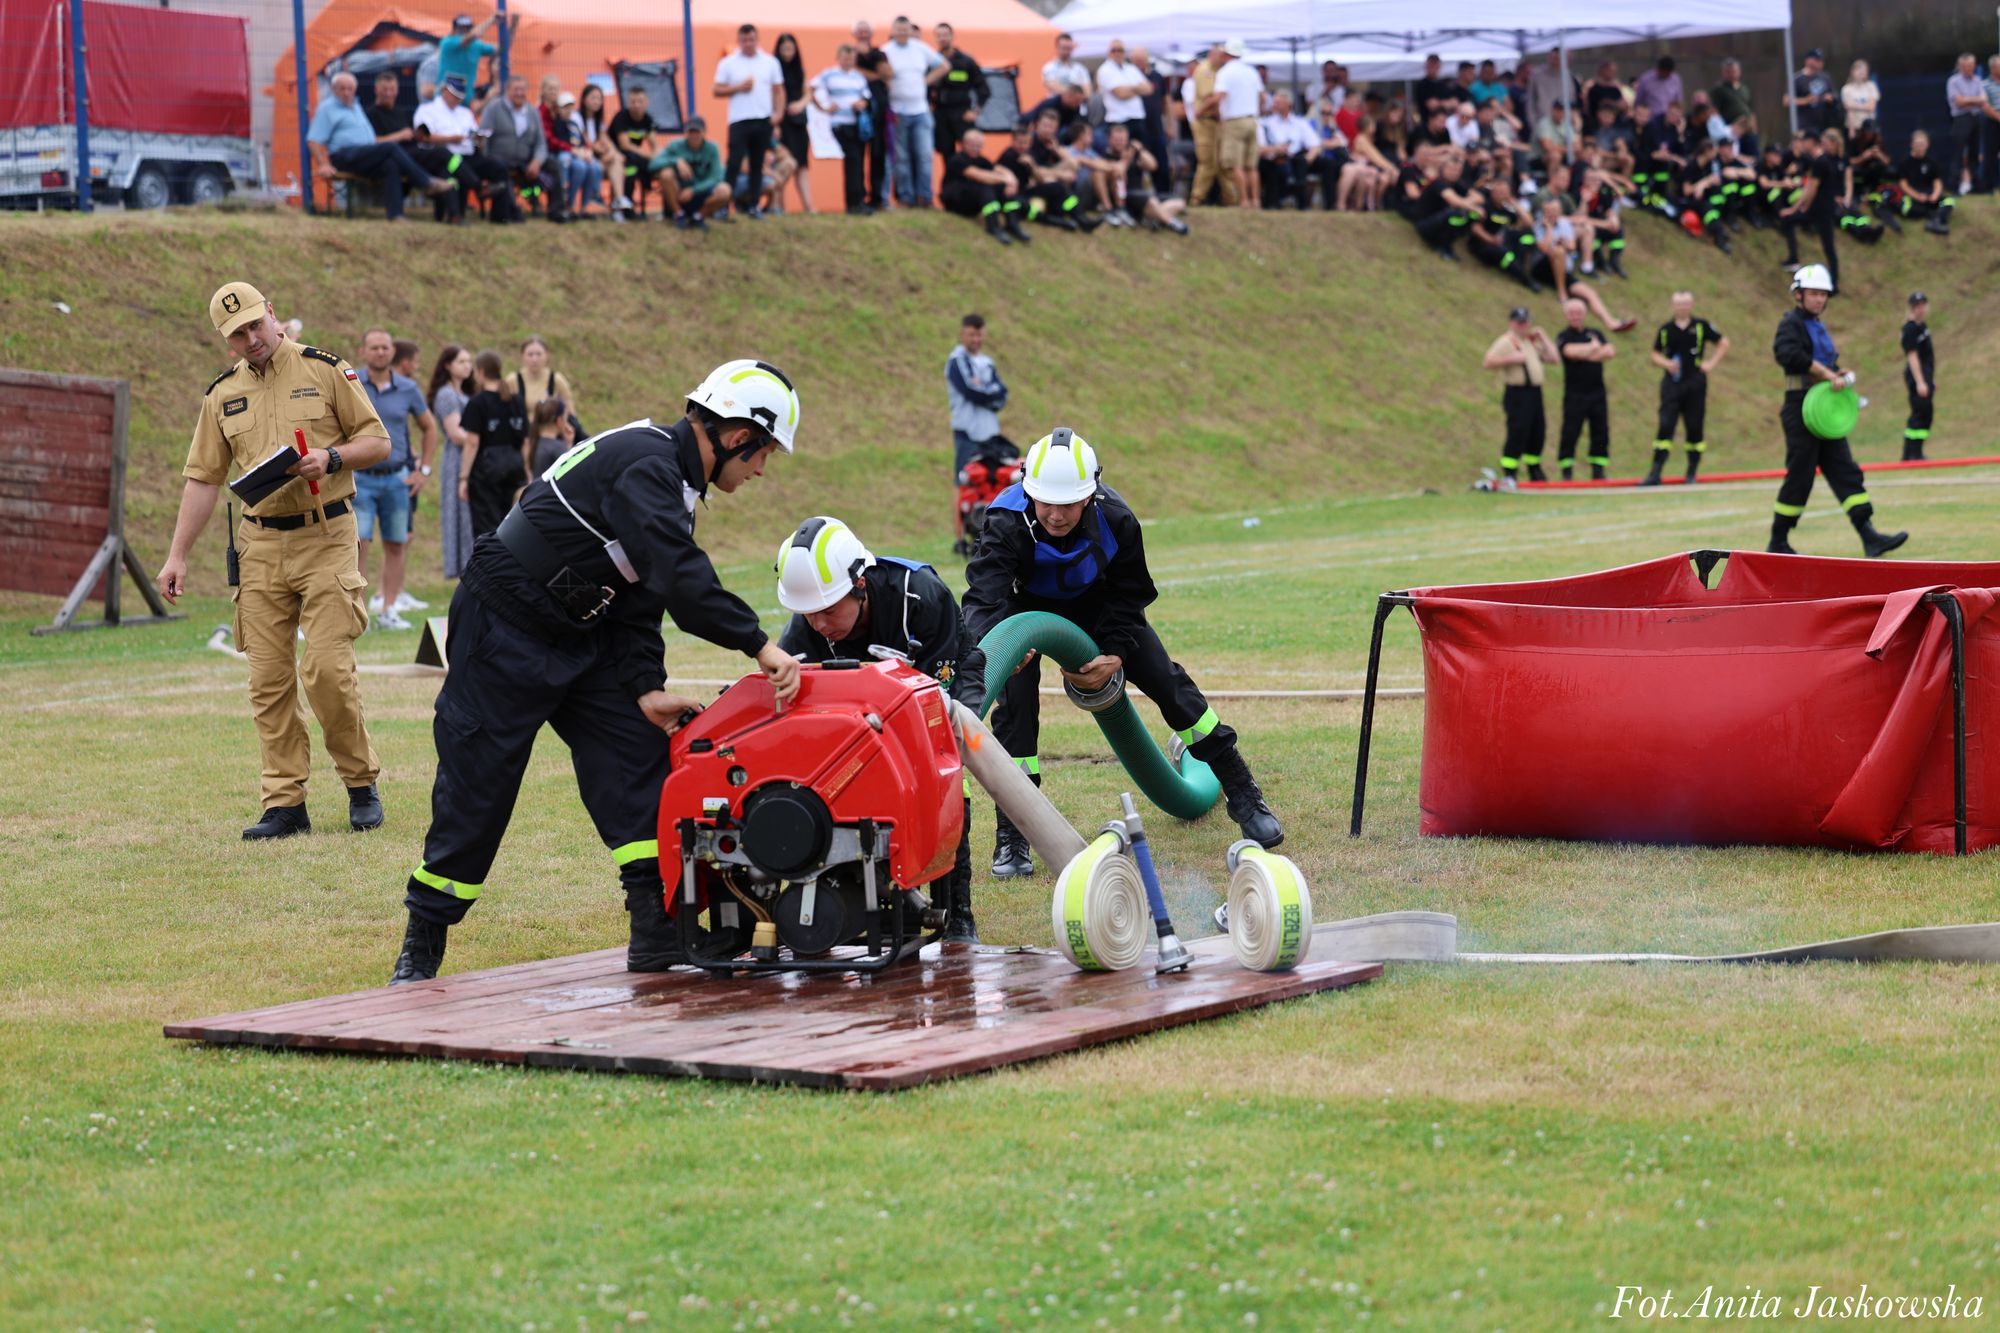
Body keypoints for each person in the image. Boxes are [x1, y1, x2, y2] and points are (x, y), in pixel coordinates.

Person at [388, 361, 807, 985]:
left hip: (582, 630)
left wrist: (644, 689)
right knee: (479, 784)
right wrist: (758, 645)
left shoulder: (673, 487)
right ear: (735, 433)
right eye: (763, 453)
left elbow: (640, 602)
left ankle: (655, 935)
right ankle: (423, 943)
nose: (761, 470)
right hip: (503, 623)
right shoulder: (648, 463)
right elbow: (676, 572)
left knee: (637, 760)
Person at [964, 429, 1284, 880]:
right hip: (1023, 613)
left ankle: (1240, 789)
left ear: (1090, 494)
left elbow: (1130, 592)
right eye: (1045, 502)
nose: (1056, 515)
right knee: (1015, 711)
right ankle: (1013, 835)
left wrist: (1115, 650)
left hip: (1100, 606)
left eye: (1069, 503)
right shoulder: (1004, 520)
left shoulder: (1116, 519)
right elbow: (983, 597)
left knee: (1166, 682)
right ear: (1027, 490)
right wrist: (996, 647)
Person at [156, 282, 390, 840]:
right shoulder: (221, 395)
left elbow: (378, 442)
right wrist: (177, 556)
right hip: (258, 545)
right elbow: (203, 479)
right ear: (226, 341)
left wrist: (330, 457)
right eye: (238, 333)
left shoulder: (326, 370)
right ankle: (285, 804)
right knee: (268, 680)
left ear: (273, 315)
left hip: (327, 535)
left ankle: (360, 783)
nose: (252, 337)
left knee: (327, 670)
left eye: (256, 324)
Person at [774, 517, 985, 940]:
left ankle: (958, 911)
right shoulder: (807, 627)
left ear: (860, 586)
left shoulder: (920, 597)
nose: (818, 626)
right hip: (864, 706)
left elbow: (934, 698)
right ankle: (868, 902)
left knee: (941, 781)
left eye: (829, 612)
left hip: (943, 684)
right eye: (808, 614)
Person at [1767, 265, 1906, 558]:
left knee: (1845, 469)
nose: (1819, 299)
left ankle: (1870, 537)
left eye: (1823, 294)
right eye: (1814, 293)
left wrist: (1836, 371)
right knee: (1801, 474)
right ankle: (1777, 542)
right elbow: (1788, 354)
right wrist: (1827, 374)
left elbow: (1823, 361)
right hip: (1800, 407)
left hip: (1825, 409)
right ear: (1798, 295)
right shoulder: (1790, 323)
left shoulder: (1817, 326)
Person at [354, 329, 437, 630]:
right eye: (374, 347)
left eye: (385, 347)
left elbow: (429, 427)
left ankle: (389, 609)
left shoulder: (408, 388)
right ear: (363, 351)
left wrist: (423, 470)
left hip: (396, 478)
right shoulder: (352, 384)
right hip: (360, 477)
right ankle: (358, 612)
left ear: (392, 352)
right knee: (358, 544)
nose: (380, 352)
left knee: (396, 544)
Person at [308, 72, 453, 221]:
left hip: (364, 155)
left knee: (391, 165)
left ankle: (396, 215)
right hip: (345, 156)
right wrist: (323, 164)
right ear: (333, 89)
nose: (346, 92)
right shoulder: (327, 108)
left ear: (355, 89)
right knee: (389, 147)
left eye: (349, 88)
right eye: (342, 88)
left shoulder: (355, 106)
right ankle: (426, 182)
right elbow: (313, 139)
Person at [1641, 292, 1729, 486]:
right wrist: (1666, 364)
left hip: (1695, 383)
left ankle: (1691, 473)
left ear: (1691, 305)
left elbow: (1723, 342)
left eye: (1686, 304)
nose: (1682, 307)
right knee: (1665, 425)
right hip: (1672, 385)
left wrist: (1710, 364)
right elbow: (1654, 354)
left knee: (1695, 427)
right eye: (1679, 304)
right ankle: (1655, 472)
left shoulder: (1701, 326)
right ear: (1673, 306)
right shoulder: (1666, 329)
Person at [414, 74, 513, 223]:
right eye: (455, 95)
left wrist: (479, 140)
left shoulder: (465, 113)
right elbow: (424, 136)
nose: (458, 99)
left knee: (498, 166)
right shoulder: (426, 110)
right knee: (449, 166)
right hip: (441, 159)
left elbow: (473, 138)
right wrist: (451, 139)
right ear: (445, 90)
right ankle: (470, 196)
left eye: (460, 96)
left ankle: (500, 216)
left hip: (467, 158)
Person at [714, 24, 784, 222]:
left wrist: (778, 114)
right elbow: (716, 90)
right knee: (734, 163)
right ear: (739, 41)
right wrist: (737, 87)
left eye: (751, 39)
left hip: (762, 119)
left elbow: (779, 90)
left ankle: (754, 205)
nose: (748, 44)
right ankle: (723, 205)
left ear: (757, 39)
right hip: (739, 120)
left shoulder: (769, 62)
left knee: (757, 163)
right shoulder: (729, 63)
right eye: (744, 40)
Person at [1482, 306, 1558, 482]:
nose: (1523, 326)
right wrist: (1511, 359)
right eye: (1519, 322)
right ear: (1512, 323)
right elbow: (1488, 362)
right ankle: (1510, 471)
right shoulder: (1507, 341)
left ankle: (1534, 469)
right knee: (1518, 431)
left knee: (1537, 431)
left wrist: (1543, 337)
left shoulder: (1530, 341)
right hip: (1517, 393)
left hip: (1535, 393)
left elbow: (1554, 358)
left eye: (1526, 322)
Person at [457, 350, 527, 538]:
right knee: (513, 525)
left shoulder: (478, 402)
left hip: (487, 471)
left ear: (480, 372)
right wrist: (527, 470)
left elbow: (472, 442)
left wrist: (463, 478)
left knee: (487, 529)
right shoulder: (517, 400)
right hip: (515, 466)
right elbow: (524, 441)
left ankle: (492, 565)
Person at [946, 312, 1009, 497]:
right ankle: (958, 526)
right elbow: (971, 391)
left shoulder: (987, 363)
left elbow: (1003, 394)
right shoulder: (956, 361)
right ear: (963, 334)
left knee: (991, 484)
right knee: (963, 482)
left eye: (979, 334)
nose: (976, 339)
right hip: (967, 434)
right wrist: (989, 391)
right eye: (972, 334)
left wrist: (984, 390)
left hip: (990, 434)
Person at [428, 343, 477, 581]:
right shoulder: (446, 394)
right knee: (460, 515)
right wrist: (484, 440)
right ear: (448, 365)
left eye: (469, 361)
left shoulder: (466, 394)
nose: (467, 366)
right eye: (461, 361)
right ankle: (463, 567)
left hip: (473, 457)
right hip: (457, 461)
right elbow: (457, 434)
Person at [1554, 298, 1615, 481]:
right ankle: (1567, 472)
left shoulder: (1594, 332)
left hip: (1597, 392)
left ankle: (1598, 471)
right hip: (1575, 394)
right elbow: (1569, 352)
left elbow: (1609, 351)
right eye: (1572, 313)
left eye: (1578, 312)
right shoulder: (1564, 335)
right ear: (1566, 315)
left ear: (1585, 314)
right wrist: (1593, 349)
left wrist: (1585, 354)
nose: (1576, 316)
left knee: (1600, 431)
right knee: (1570, 432)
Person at [480, 75, 555, 222]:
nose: (519, 93)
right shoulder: (494, 108)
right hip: (500, 160)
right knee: (500, 168)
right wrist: (485, 160)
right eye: (516, 90)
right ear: (507, 91)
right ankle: (511, 212)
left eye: (523, 90)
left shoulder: (533, 112)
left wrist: (537, 161)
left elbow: (541, 143)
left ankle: (556, 211)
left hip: (526, 161)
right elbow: (483, 136)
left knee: (553, 164)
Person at [814, 45, 876, 215]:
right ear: (838, 57)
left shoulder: (858, 77)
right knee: (853, 161)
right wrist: (824, 107)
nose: (848, 61)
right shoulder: (829, 74)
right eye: (845, 57)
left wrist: (860, 104)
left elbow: (866, 98)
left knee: (857, 162)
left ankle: (857, 202)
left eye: (851, 58)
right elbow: (811, 88)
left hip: (856, 124)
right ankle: (854, 203)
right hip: (840, 123)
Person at [1778, 128, 1840, 292]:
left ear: (1811, 142)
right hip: (1821, 209)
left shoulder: (1820, 162)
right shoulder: (1823, 160)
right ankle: (1794, 259)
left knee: (1828, 245)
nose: (1801, 144)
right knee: (1828, 245)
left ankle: (1833, 283)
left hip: (1821, 210)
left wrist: (1800, 208)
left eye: (1804, 141)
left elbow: (1811, 188)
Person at [941, 128, 1027, 243]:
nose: (976, 149)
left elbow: (998, 168)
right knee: (985, 187)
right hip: (956, 203)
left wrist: (1012, 180)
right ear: (964, 144)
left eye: (979, 146)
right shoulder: (957, 159)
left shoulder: (981, 160)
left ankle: (1012, 223)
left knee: (1003, 189)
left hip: (972, 203)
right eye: (973, 145)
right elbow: (978, 175)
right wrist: (1005, 179)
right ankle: (993, 227)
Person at [1102, 122, 1188, 232]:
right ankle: (1172, 223)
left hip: (1142, 193)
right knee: (1151, 201)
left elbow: (1153, 165)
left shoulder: (1136, 155)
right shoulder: (1106, 156)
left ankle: (1154, 218)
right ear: (1109, 140)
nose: (1119, 142)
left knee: (1179, 202)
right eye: (1116, 139)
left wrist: (1140, 149)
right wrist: (1129, 156)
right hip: (1126, 196)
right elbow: (1119, 170)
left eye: (1122, 139)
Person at [653, 117, 733, 229]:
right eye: (691, 131)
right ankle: (678, 214)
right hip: (678, 194)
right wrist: (676, 161)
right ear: (686, 132)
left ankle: (698, 217)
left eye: (697, 131)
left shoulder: (712, 148)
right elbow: (653, 163)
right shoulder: (675, 145)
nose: (694, 135)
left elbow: (717, 177)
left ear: (704, 132)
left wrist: (693, 190)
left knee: (725, 190)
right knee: (666, 174)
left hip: (702, 195)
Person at [770, 33, 815, 215]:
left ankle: (808, 206)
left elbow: (808, 93)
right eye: (784, 49)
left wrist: (800, 104)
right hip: (783, 123)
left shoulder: (800, 70)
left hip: (798, 123)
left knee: (802, 165)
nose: (787, 52)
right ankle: (780, 205)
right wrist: (775, 122)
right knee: (784, 165)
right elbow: (772, 96)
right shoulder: (774, 70)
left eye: (790, 48)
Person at [1215, 40, 1264, 208]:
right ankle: (1255, 201)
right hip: (1252, 120)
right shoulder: (1252, 72)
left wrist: (1204, 108)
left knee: (1236, 164)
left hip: (1235, 121)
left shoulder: (1225, 72)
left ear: (1227, 54)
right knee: (1251, 166)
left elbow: (1219, 95)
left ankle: (1243, 201)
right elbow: (1262, 97)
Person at [931, 23, 990, 161]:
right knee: (946, 152)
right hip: (941, 113)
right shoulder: (932, 61)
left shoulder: (966, 61)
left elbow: (984, 89)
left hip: (962, 113)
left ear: (952, 36)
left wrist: (975, 111)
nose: (942, 38)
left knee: (970, 152)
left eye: (945, 35)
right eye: (939, 35)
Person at [852, 21, 892, 210]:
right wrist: (872, 72)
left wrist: (866, 62)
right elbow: (850, 71)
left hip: (879, 111)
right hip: (858, 110)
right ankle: (858, 199)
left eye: (866, 30)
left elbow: (886, 74)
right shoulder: (851, 53)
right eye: (860, 30)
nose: (863, 33)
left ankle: (877, 198)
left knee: (878, 155)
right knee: (857, 156)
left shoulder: (878, 53)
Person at [608, 85, 661, 216]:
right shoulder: (622, 117)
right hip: (617, 156)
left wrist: (658, 157)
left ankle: (660, 209)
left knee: (652, 166)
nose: (636, 105)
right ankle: (626, 206)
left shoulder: (648, 119)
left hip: (635, 157)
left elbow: (654, 144)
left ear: (646, 103)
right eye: (633, 101)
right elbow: (625, 145)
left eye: (640, 101)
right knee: (630, 168)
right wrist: (649, 156)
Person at [437, 11, 510, 102]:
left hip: (465, 100)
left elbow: (502, 48)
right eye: (461, 28)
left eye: (468, 28)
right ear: (454, 29)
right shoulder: (448, 43)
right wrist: (492, 20)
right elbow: (475, 34)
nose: (465, 31)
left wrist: (514, 24)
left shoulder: (476, 45)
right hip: (446, 100)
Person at [569, 84, 619, 216]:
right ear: (584, 99)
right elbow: (585, 142)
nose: (597, 101)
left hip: (591, 155)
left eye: (599, 98)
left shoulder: (598, 120)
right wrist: (602, 152)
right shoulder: (576, 117)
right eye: (593, 98)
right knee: (594, 167)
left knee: (614, 162)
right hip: (578, 154)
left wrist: (613, 153)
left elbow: (605, 139)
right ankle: (587, 200)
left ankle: (617, 203)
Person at [512, 335, 579, 432]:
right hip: (523, 435)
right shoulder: (513, 380)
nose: (534, 359)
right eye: (530, 354)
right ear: (522, 356)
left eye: (539, 354)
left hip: (551, 436)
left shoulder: (557, 380)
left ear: (547, 355)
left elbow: (570, 412)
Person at [1187, 44, 1226, 206]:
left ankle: (1232, 200)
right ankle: (1196, 200)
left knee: (1222, 164)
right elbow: (1209, 99)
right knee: (1207, 163)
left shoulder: (1221, 71)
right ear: (1212, 54)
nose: (1223, 59)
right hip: (1205, 122)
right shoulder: (1204, 70)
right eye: (1221, 55)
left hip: (1216, 122)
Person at [1896, 129, 1955, 234]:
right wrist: (1917, 196)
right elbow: (1903, 185)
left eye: (1922, 144)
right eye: (1917, 144)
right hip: (1913, 197)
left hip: (1929, 195)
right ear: (1912, 144)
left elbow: (1937, 182)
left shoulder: (1931, 162)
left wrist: (1935, 195)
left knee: (1949, 201)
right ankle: (1935, 217)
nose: (1920, 147)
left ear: (1927, 144)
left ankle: (1934, 220)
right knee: (1906, 209)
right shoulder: (1905, 163)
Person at [1097, 39, 1151, 145]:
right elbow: (1121, 94)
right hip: (1118, 120)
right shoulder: (1105, 69)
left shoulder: (1131, 68)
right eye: (1114, 50)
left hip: (1137, 118)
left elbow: (1149, 89)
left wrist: (1128, 89)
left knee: (1140, 154)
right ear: (1109, 53)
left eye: (1120, 50)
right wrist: (1138, 88)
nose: (1117, 53)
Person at [1902, 291, 1935, 461]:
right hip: (1917, 377)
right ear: (1912, 308)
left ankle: (1917, 452)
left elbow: (1927, 356)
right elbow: (1912, 356)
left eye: (1923, 305)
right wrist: (1920, 382)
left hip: (1925, 376)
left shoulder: (1922, 326)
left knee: (1926, 413)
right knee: (1920, 413)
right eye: (1917, 306)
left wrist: (1931, 379)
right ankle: (1910, 454)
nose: (1920, 309)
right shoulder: (1910, 328)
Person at [1711, 58, 1758, 156]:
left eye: (1734, 71)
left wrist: (1754, 127)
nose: (1731, 74)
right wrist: (1725, 130)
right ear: (1723, 73)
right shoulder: (1719, 90)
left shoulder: (1744, 89)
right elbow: (1715, 112)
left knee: (1753, 155)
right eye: (1728, 72)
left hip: (1748, 130)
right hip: (1732, 132)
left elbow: (1751, 110)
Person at [1790, 48, 1837, 137]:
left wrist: (1830, 98)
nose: (1819, 63)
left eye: (1821, 60)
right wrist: (1806, 100)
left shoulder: (1826, 77)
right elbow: (1787, 101)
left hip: (1824, 124)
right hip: (1804, 124)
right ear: (1808, 60)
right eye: (1816, 60)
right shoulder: (1797, 79)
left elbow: (1833, 95)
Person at [525, 395, 574, 479]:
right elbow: (570, 476)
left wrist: (568, 443)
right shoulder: (557, 447)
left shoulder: (533, 443)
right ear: (559, 421)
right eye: (566, 418)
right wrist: (568, 447)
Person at [1041, 32, 1089, 100]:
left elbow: (1088, 91)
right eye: (1063, 48)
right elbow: (1054, 87)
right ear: (1056, 48)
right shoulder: (1049, 68)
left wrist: (1071, 92)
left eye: (1069, 48)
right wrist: (1077, 93)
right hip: (1057, 108)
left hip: (1079, 108)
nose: (1066, 51)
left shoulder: (1080, 68)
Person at [1841, 60, 1881, 135]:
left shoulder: (1871, 86)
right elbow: (1849, 110)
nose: (1862, 73)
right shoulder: (1846, 89)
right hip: (1855, 127)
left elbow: (1871, 107)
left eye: (1864, 70)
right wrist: (1851, 129)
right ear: (1853, 71)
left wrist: (1852, 106)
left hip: (1870, 125)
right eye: (1859, 70)